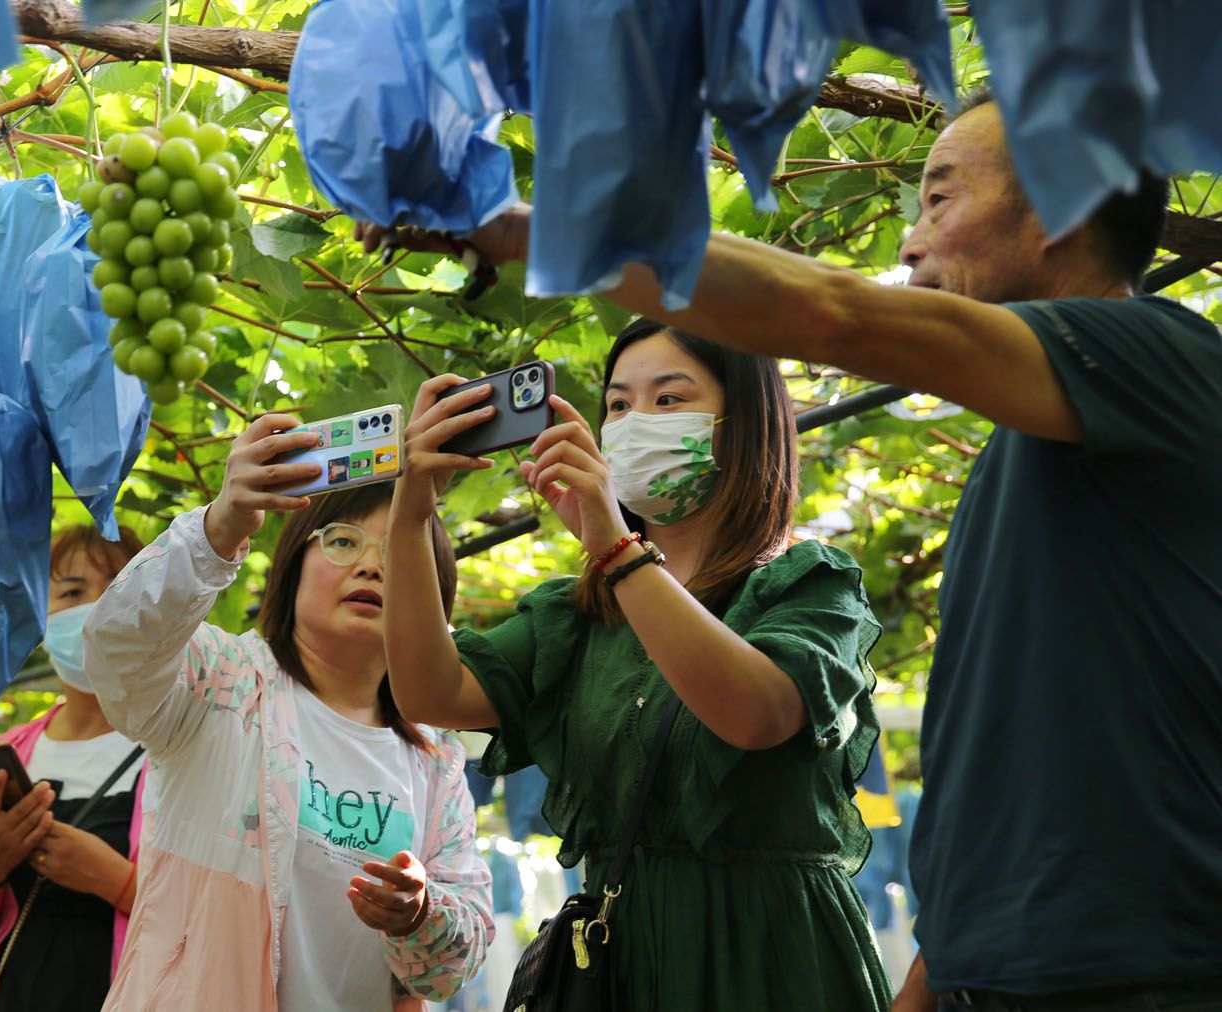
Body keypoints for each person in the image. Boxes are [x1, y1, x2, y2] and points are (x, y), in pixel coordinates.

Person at [365, 87, 1222, 1010]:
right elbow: (1004, 779)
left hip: (1128, 975)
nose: (908, 239)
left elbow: (832, 314)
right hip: (1003, 976)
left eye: (938, 198)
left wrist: (507, 223)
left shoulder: (1155, 357)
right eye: (618, 401)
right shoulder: (1021, 465)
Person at [383, 318, 891, 1010]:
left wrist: (618, 552)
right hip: (625, 970)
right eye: (618, 406)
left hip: (774, 966)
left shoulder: (809, 582)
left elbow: (755, 712)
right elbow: (427, 690)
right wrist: (410, 516)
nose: (633, 422)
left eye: (669, 399)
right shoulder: (577, 613)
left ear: (743, 425)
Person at [81, 438, 494, 1012]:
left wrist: (419, 916)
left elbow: (452, 968)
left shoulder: (437, 761)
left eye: (400, 554)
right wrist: (217, 528)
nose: (372, 565)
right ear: (294, 564)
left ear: (435, 599)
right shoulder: (221, 682)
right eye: (344, 541)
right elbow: (116, 647)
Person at [0, 525, 149, 1012]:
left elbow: (231, 914)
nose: (97, 609)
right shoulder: (10, 754)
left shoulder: (183, 745)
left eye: (118, 588)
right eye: (71, 592)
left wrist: (118, 882)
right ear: (36, 615)